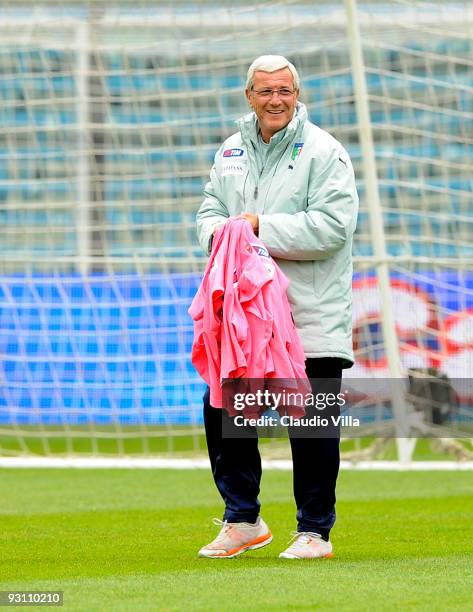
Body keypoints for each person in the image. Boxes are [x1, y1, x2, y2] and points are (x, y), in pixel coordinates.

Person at [195, 55, 358, 559]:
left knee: (312, 425)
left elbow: (333, 228)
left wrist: (258, 226)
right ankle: (242, 519)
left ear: (297, 93)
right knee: (224, 414)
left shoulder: (326, 152)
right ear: (249, 96)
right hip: (246, 319)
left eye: (284, 90)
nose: (275, 100)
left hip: (310, 313)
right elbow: (209, 211)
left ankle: (314, 531)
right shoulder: (229, 151)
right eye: (265, 91)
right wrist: (224, 234)